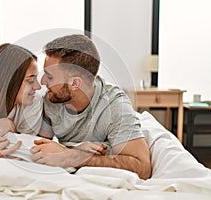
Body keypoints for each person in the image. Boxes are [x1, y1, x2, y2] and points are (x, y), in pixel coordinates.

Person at [30, 34, 152, 179]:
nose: (43, 82)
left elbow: (143, 167)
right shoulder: (52, 99)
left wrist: (71, 157)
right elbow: (41, 147)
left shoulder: (115, 106)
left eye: (49, 77)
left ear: (75, 84)